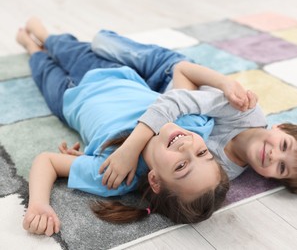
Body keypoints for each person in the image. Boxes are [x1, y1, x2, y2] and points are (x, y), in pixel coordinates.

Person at [16, 17, 243, 236]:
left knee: (41, 66)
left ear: (154, 180)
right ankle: (43, 35)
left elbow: (47, 161)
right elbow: (182, 69)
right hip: (109, 72)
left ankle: (31, 46)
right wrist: (225, 83)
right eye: (202, 152)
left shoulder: (116, 178)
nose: (187, 147)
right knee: (64, 47)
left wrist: (38, 204)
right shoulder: (193, 125)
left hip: (68, 97)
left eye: (181, 166)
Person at [89, 30, 297, 197]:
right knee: (100, 43)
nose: (273, 155)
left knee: (93, 76)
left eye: (282, 168)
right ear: (280, 127)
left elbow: (166, 168)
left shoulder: (222, 173)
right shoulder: (245, 111)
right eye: (283, 145)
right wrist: (225, 84)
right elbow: (181, 84)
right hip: (169, 74)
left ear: (274, 179)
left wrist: (102, 152)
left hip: (146, 103)